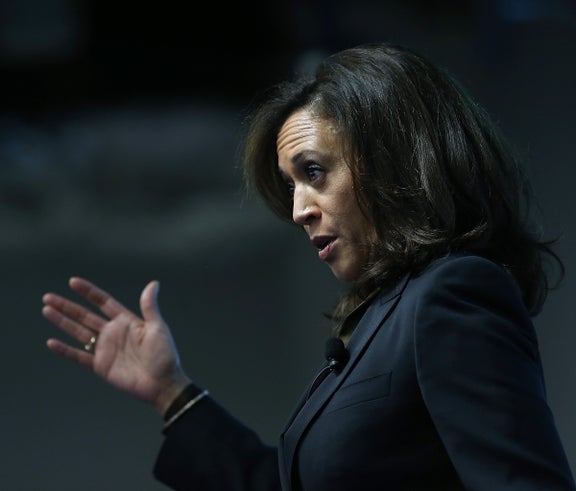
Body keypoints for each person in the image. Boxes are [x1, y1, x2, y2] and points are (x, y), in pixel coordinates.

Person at [41, 43, 576, 490]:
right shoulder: (383, 319)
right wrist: (170, 391)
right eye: (291, 184)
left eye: (314, 172)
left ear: (395, 160)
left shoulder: (453, 292)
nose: (298, 210)